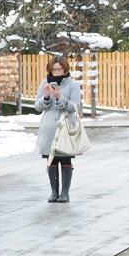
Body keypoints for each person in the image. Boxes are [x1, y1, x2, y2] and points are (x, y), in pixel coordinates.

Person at [35, 55, 82, 203]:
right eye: (54, 70)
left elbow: (75, 106)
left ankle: (65, 193)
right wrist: (47, 97)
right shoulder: (45, 83)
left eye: (59, 69)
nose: (56, 72)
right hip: (49, 128)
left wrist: (60, 97)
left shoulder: (73, 85)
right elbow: (37, 107)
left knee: (65, 158)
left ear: (65, 69)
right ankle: (54, 192)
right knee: (51, 160)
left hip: (65, 127)